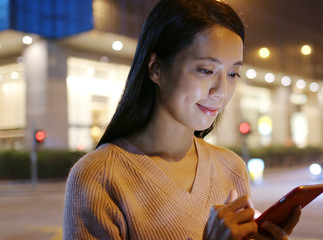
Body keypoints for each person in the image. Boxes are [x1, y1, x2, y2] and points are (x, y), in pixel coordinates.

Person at [63, 0, 302, 239]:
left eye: (232, 74)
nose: (221, 90)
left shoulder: (231, 167)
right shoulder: (98, 174)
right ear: (156, 68)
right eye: (206, 70)